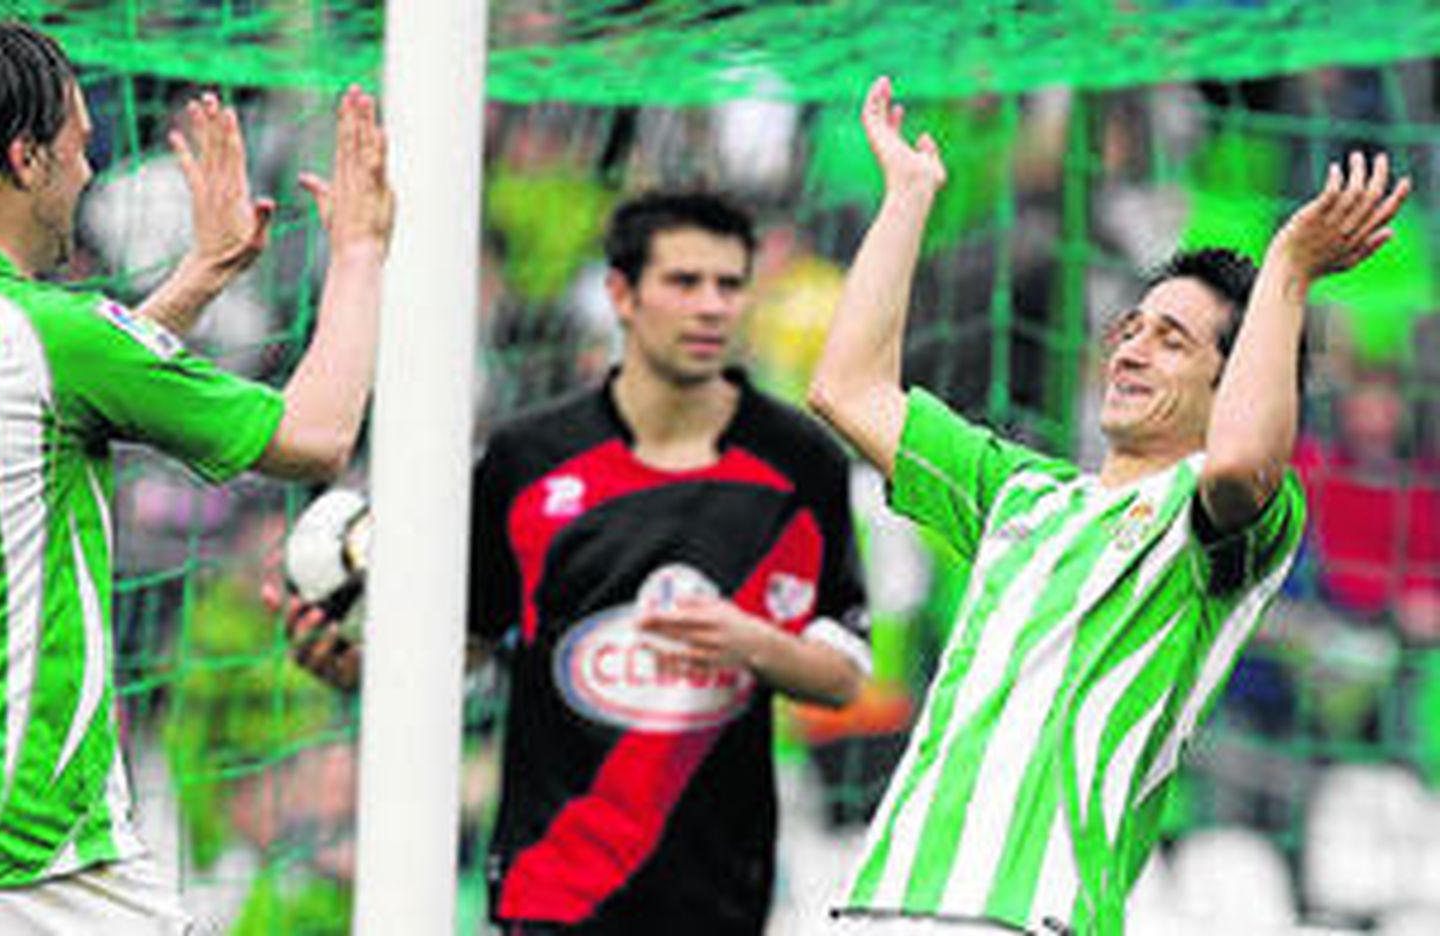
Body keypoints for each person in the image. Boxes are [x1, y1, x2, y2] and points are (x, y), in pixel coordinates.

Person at [806, 76, 1409, 936]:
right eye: (1130, 327)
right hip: (878, 904)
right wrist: (907, 198)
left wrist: (1286, 271)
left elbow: (1240, 462)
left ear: (1232, 380)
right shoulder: (1021, 492)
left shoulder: (1222, 529)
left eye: (1172, 339)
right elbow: (847, 389)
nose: (1130, 348)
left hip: (1029, 917)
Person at [0, 18, 392, 934]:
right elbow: (317, 435)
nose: (89, 172)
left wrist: (204, 274)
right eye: (78, 146)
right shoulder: (53, 336)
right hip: (17, 835)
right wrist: (363, 254)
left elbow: (54, 398)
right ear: (24, 159)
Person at [286, 191, 872, 933]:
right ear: (621, 294)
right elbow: (465, 645)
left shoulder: (801, 460)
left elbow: (846, 672)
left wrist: (751, 643)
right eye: (684, 282)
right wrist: (363, 668)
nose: (712, 306)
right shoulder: (527, 459)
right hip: (553, 886)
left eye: (729, 284)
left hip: (721, 892)